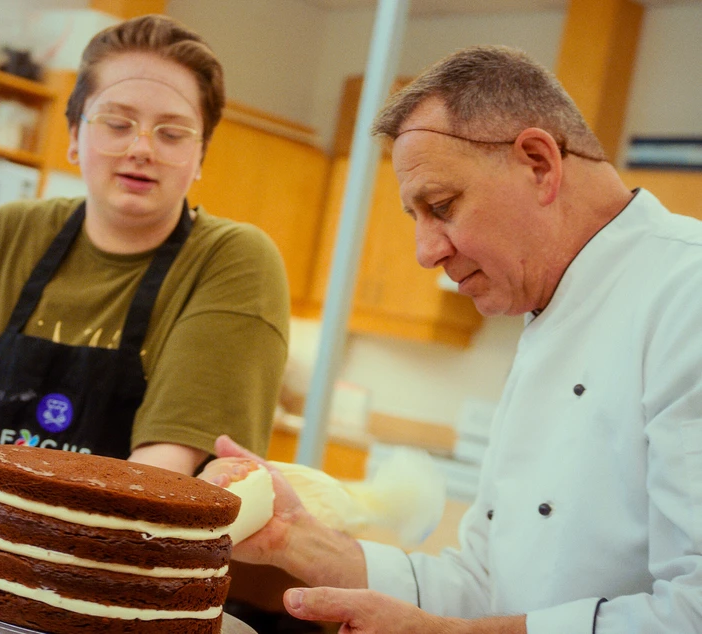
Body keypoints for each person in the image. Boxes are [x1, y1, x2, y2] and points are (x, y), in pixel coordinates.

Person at [204, 45, 702, 633]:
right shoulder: (549, 305)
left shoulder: (685, 295)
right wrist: (297, 542)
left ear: (540, 163)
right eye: (415, 218)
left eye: (441, 206)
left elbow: (691, 611)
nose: (425, 251)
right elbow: (484, 584)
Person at [0, 15, 290, 577]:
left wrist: (52, 602)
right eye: (117, 123)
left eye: (172, 133)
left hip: (117, 593)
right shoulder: (8, 234)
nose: (141, 149)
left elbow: (162, 469)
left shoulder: (232, 260)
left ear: (201, 157)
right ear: (74, 137)